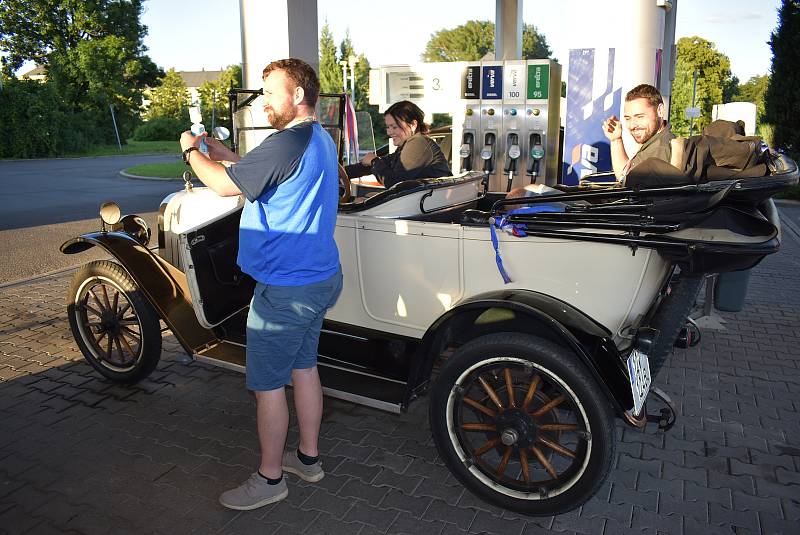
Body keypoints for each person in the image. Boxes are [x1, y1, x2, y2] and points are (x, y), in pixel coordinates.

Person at [179, 58, 342, 511]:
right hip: (319, 278)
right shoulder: (316, 137)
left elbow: (223, 186)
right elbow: (251, 171)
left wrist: (191, 151)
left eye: (271, 93)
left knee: (268, 386)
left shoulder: (288, 140)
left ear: (298, 96)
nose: (264, 101)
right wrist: (218, 149)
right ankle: (307, 458)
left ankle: (270, 479)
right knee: (304, 367)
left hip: (286, 290)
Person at [345, 100, 451, 189]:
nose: (389, 132)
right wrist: (339, 172)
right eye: (388, 127)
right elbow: (383, 165)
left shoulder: (418, 142)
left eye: (394, 127)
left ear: (413, 124)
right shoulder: (406, 146)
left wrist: (374, 161)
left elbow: (396, 184)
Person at [602, 83, 674, 182]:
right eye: (628, 118)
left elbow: (630, 187)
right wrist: (616, 140)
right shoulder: (654, 144)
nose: (632, 126)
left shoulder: (659, 151)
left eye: (640, 117)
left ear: (660, 111)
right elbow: (625, 177)